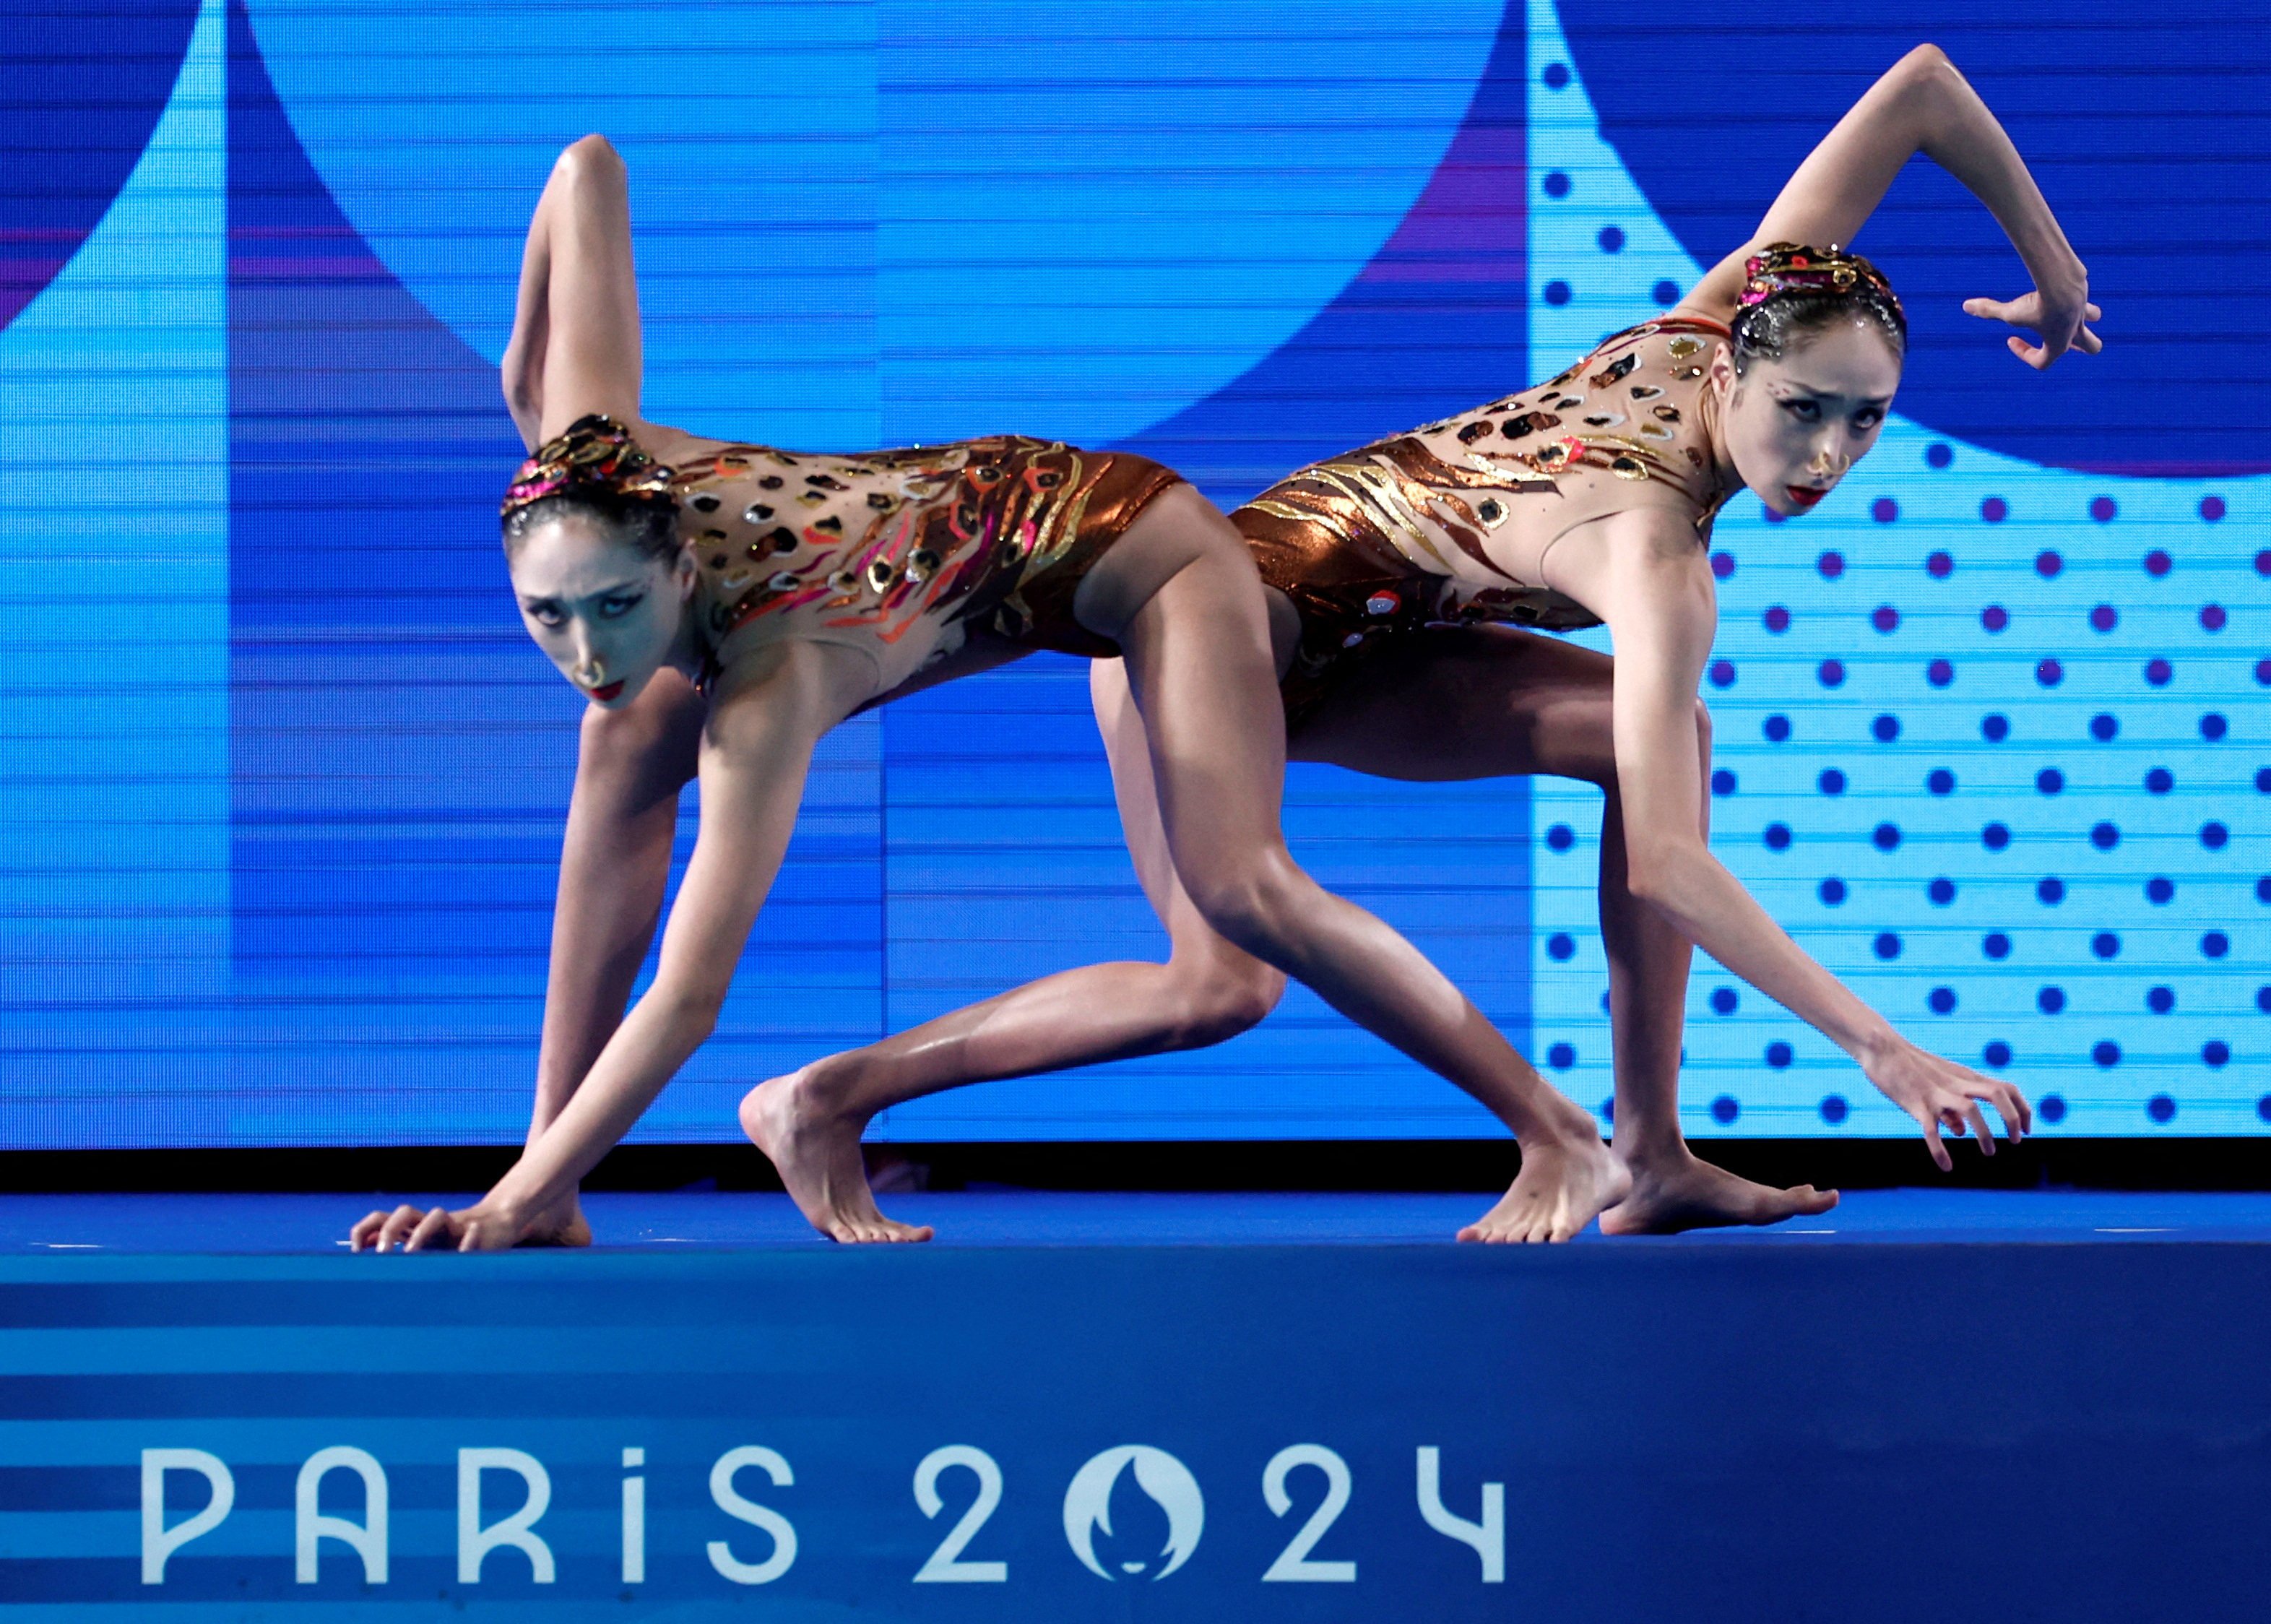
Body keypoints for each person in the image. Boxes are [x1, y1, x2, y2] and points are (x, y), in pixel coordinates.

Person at [728, 43, 2093, 1241]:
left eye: (1866, 421)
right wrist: (1885, 1054)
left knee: (1659, 738)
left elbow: (1920, 89)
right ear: (1738, 370)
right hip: (1197, 643)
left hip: (1364, 644)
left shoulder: (1730, 312)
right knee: (1217, 990)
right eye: (1807, 411)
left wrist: (2056, 269)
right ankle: (822, 1095)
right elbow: (1672, 867)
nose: (1830, 455)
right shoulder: (1654, 555)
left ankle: (1654, 1156)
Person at [351, 132, 1628, 1253]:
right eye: (546, 615)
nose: (583, 644)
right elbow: (586, 170)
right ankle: (788, 1108)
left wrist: (516, 1196)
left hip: (1155, 552)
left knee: (1239, 914)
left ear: (678, 562)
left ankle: (1555, 1133)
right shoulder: (594, 478)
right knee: (619, 745)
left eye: (617, 609)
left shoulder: (775, 687)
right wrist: (540, 397)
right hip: (1010, 559)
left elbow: (690, 995)